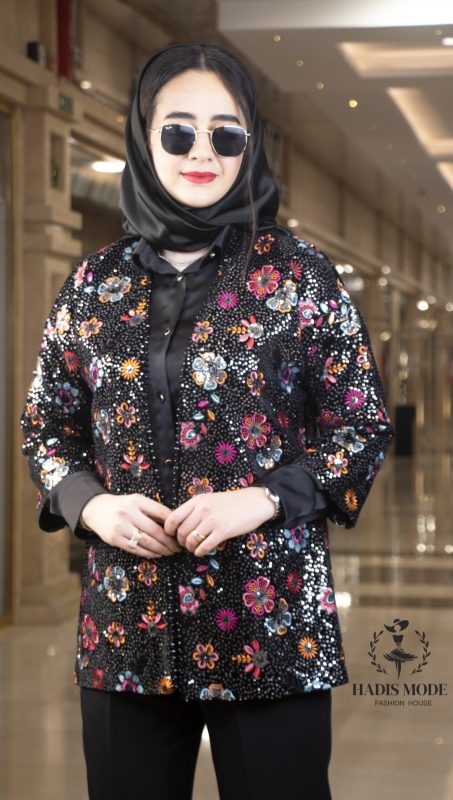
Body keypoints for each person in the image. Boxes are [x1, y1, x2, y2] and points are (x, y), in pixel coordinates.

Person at [20, 41, 394, 800]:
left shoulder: (300, 277)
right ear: (143, 136)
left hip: (271, 625)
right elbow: (45, 426)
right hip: (126, 626)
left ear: (249, 146)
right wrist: (90, 504)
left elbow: (359, 426)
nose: (202, 152)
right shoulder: (93, 284)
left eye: (226, 134)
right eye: (178, 131)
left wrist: (262, 498)